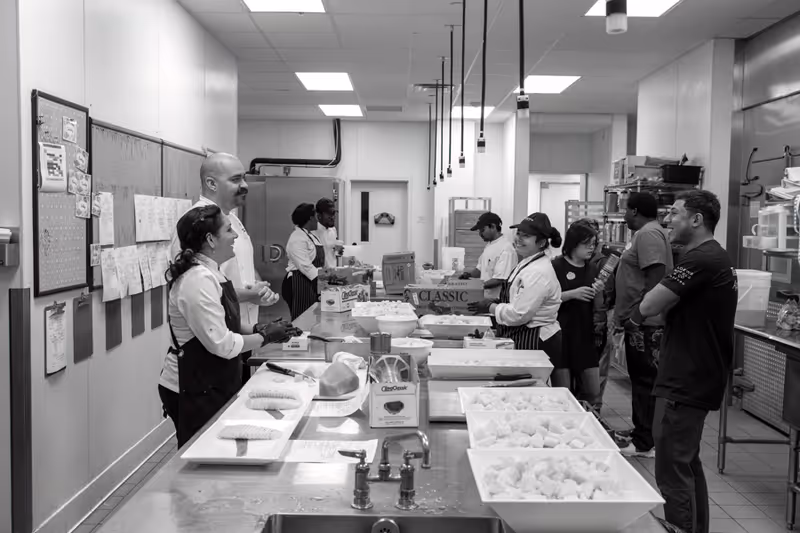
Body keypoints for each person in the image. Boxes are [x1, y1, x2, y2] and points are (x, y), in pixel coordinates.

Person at [634, 190, 736, 533]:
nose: (668, 220)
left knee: (673, 468)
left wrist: (657, 304)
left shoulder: (701, 259)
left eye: (675, 213)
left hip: (686, 378)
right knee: (687, 463)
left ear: (696, 219)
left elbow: (649, 307)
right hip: (693, 374)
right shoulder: (711, 258)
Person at [159, 153, 278, 432]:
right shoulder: (196, 224)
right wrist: (258, 328)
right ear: (211, 183)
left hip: (231, 351)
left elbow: (233, 273)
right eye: (236, 179)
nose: (244, 185)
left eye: (244, 178)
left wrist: (255, 294)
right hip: (204, 367)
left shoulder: (231, 220)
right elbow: (198, 290)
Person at [165, 205, 294, 446]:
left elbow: (227, 325)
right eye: (228, 230)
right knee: (203, 454)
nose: (235, 235)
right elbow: (222, 344)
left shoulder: (213, 274)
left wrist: (259, 329)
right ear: (211, 240)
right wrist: (265, 338)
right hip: (193, 385)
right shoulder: (197, 280)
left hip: (212, 379)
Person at [468, 213, 568, 388]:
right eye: (519, 233)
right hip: (523, 334)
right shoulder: (527, 262)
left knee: (533, 391)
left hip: (535, 338)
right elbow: (517, 298)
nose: (519, 239)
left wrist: (492, 307)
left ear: (542, 242)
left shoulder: (538, 272)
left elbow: (519, 314)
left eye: (526, 236)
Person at [614, 192, 672, 457]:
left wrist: (639, 313)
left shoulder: (648, 234)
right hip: (640, 321)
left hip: (646, 324)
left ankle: (644, 443)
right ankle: (641, 432)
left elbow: (656, 276)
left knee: (644, 382)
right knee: (640, 380)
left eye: (626, 210)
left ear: (634, 211)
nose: (624, 215)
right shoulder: (646, 234)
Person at [551, 222, 602, 404]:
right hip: (562, 335)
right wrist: (572, 294)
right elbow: (546, 299)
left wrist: (598, 291)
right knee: (563, 394)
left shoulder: (592, 268)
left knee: (593, 391)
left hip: (584, 335)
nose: (591, 248)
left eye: (594, 244)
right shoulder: (556, 266)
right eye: (586, 243)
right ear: (573, 243)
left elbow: (598, 305)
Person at [575, 217, 617, 410]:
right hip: (579, 323)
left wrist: (598, 326)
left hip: (598, 322)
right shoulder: (570, 261)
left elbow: (604, 299)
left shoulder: (603, 263)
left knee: (597, 371)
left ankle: (594, 411)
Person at [459, 212, 518, 299]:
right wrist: (468, 275)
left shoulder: (506, 248)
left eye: (482, 230)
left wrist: (476, 287)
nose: (480, 234)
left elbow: (500, 279)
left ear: (493, 227)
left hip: (497, 300)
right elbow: (480, 269)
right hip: (485, 297)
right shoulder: (490, 245)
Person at [282, 203, 324, 320]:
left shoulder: (311, 236)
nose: (318, 220)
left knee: (312, 317)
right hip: (298, 283)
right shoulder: (297, 237)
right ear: (310, 218)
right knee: (302, 318)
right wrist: (323, 283)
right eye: (316, 216)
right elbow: (305, 266)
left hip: (311, 282)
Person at [313, 198, 343, 268]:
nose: (332, 217)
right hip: (319, 275)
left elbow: (334, 253)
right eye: (329, 214)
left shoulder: (333, 230)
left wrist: (338, 251)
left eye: (333, 213)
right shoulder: (313, 232)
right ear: (319, 215)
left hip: (332, 273)